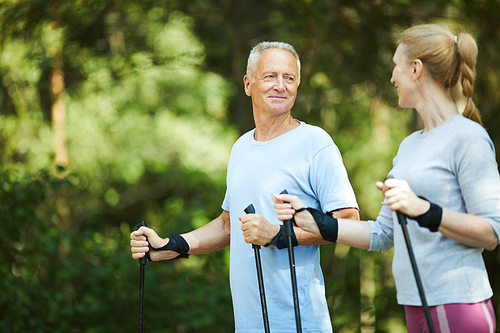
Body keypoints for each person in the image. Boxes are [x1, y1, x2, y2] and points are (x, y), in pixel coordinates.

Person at [273, 23, 500, 333]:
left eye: (396, 66)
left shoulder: (468, 137)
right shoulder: (409, 146)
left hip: (457, 302)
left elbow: (491, 232)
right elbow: (382, 233)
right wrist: (318, 222)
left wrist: (422, 209)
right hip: (412, 303)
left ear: (416, 69)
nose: (392, 77)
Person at [130, 41, 360, 332]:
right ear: (248, 84)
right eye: (270, 76)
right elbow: (228, 226)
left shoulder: (315, 143)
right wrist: (170, 246)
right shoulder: (241, 147)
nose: (281, 85)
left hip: (300, 322)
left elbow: (348, 221)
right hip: (249, 322)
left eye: (289, 78)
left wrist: (278, 235)